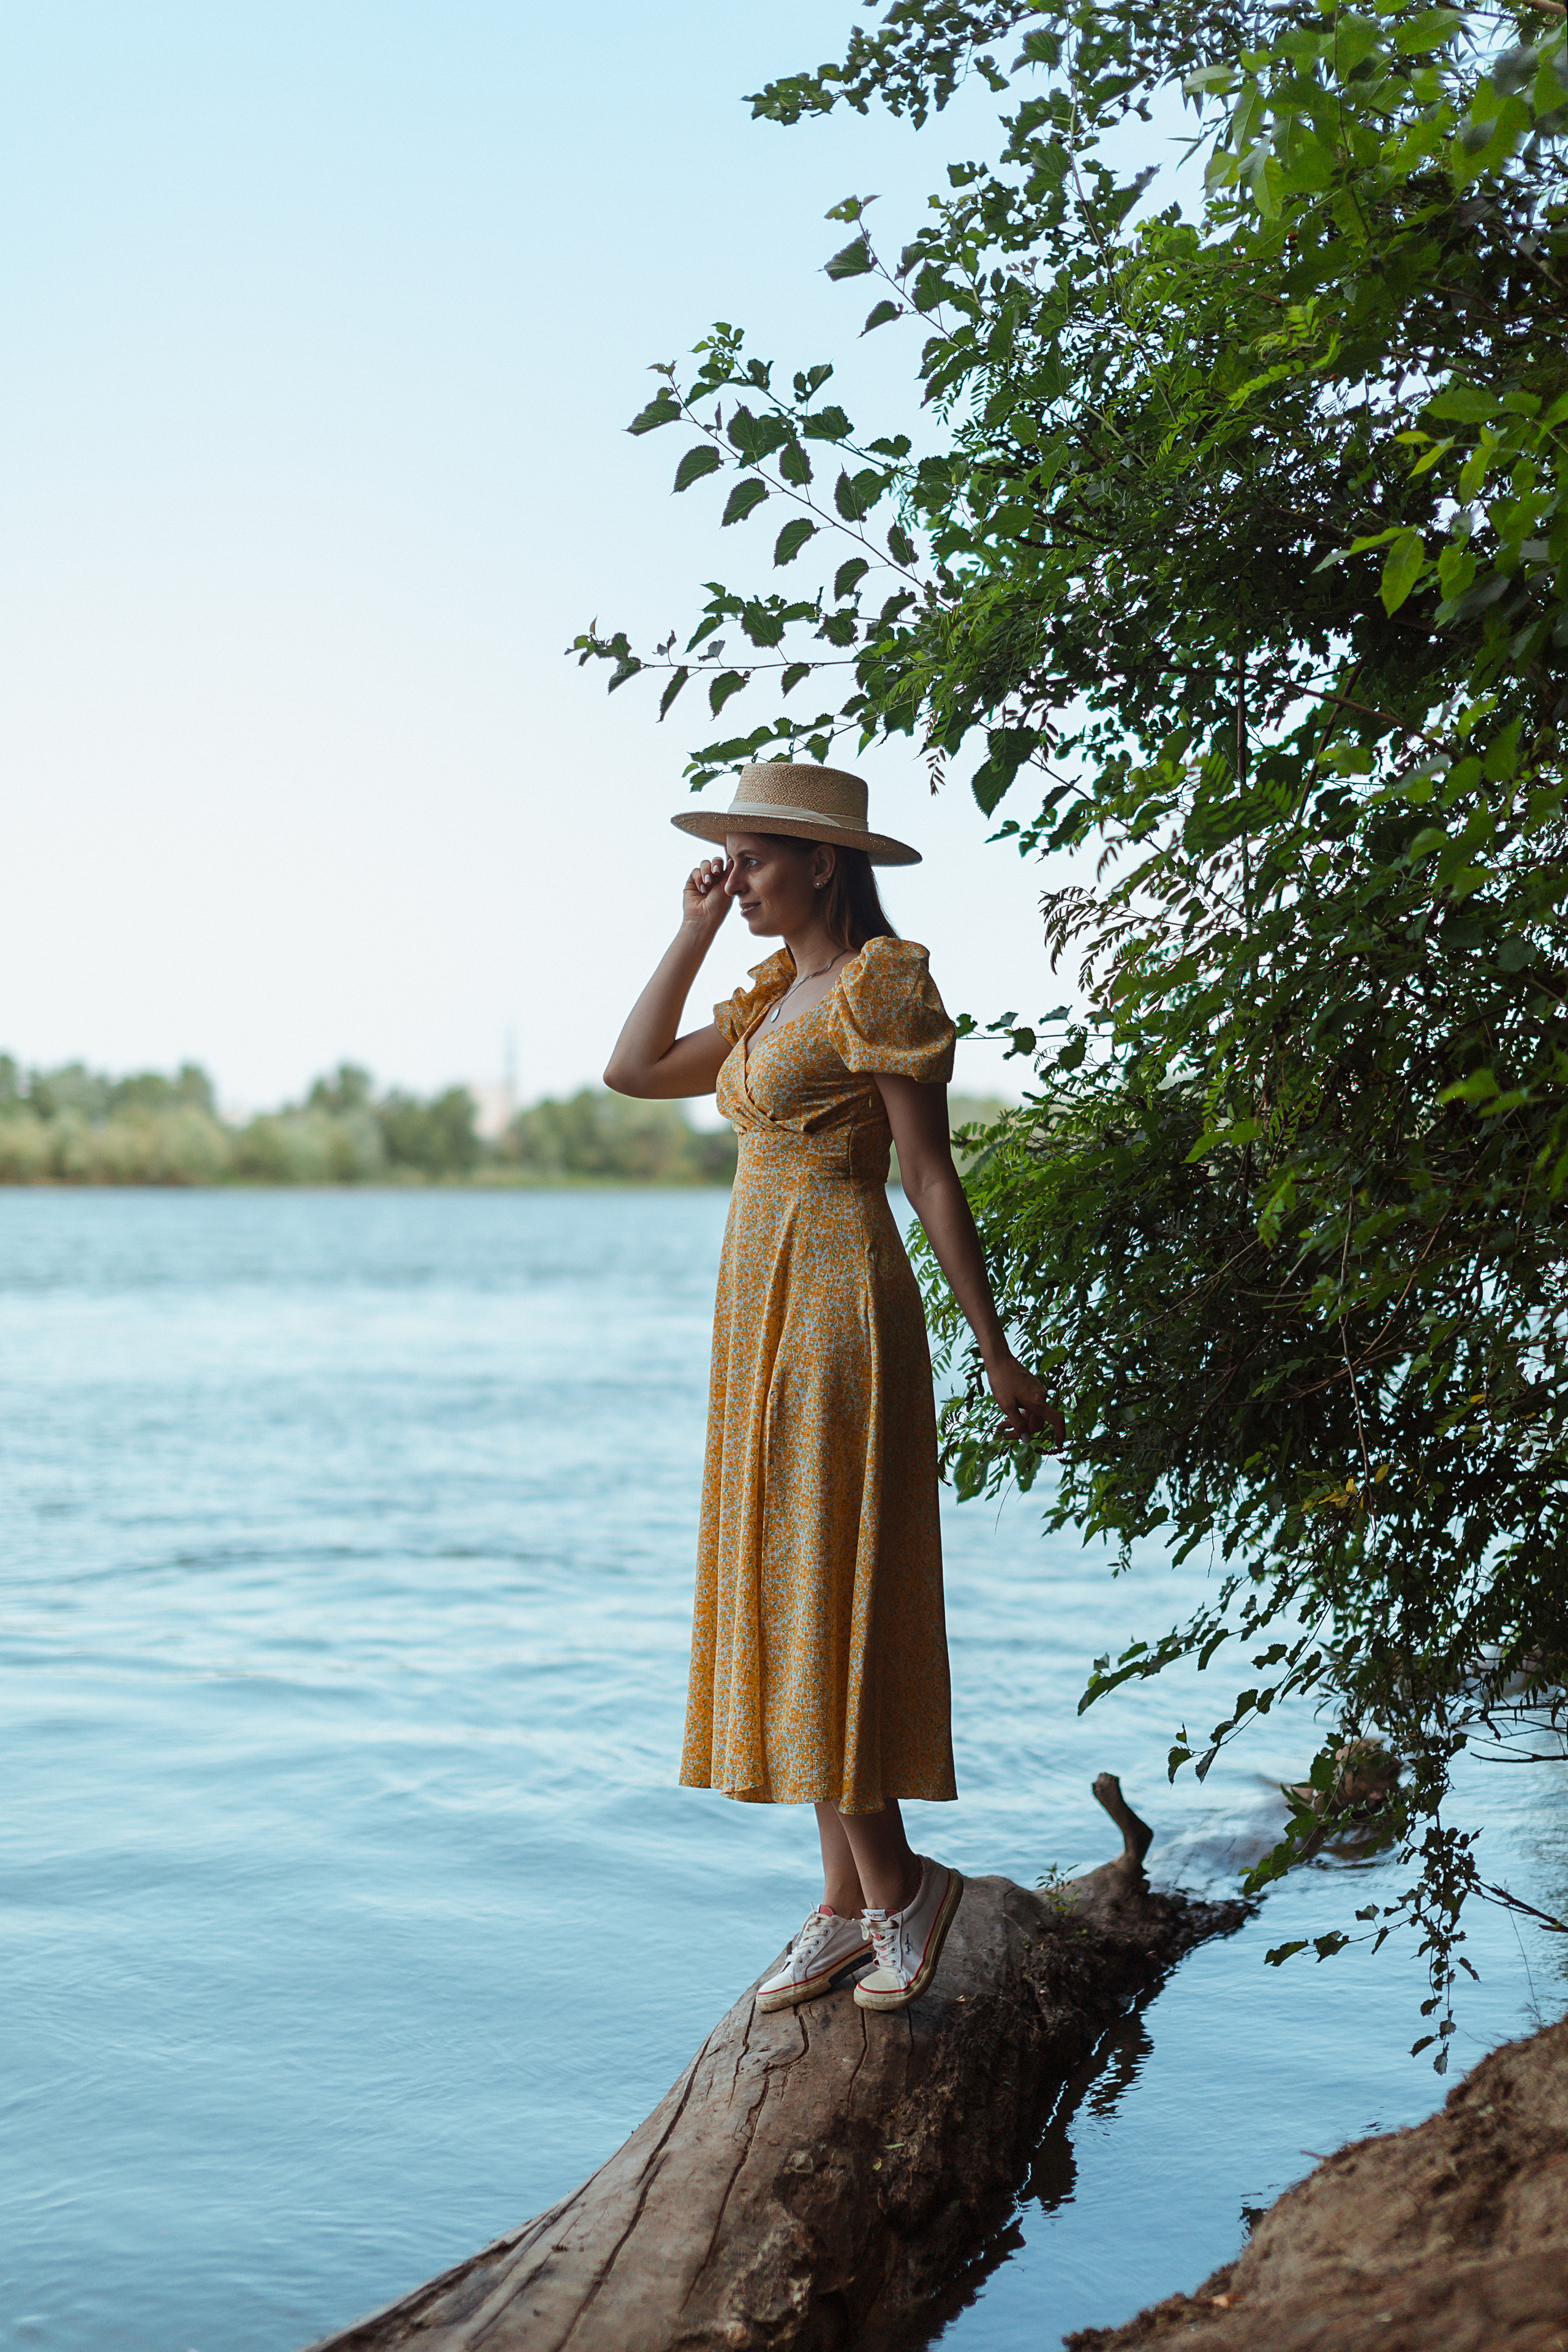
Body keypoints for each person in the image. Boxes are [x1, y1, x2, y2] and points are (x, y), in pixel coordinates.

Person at [605, 761, 1060, 2013]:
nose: (735, 876)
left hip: (835, 1305)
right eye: (731, 859)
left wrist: (994, 1346)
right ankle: (845, 1904)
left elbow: (927, 1174)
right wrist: (691, 930)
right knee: (782, 1578)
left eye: (751, 858)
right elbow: (630, 1069)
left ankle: (902, 1890)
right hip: (754, 1322)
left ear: (821, 863)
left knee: (822, 1586)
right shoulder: (767, 996)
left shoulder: (877, 981)